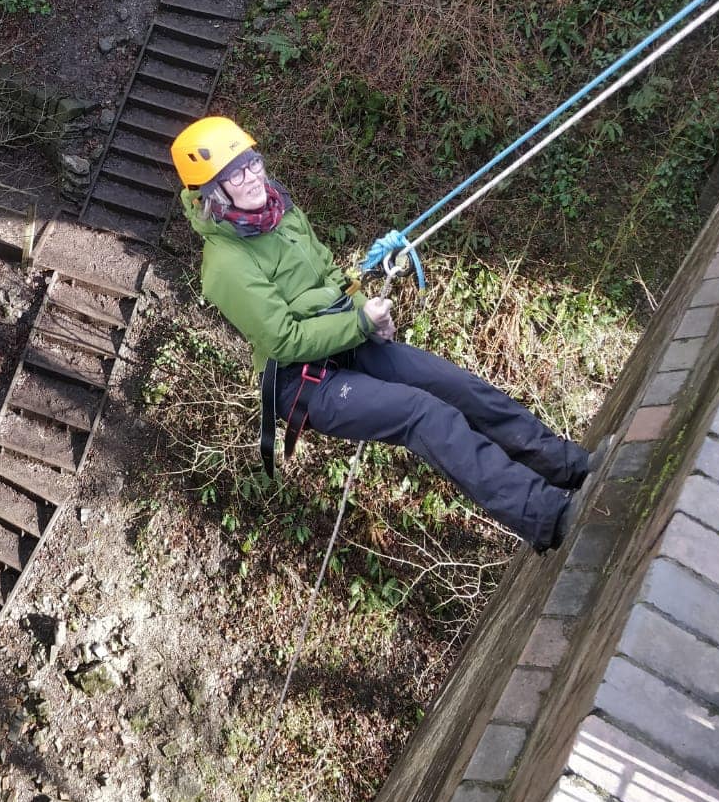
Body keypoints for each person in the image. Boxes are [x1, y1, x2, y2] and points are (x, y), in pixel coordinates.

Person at [170, 115, 592, 552]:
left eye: (252, 162)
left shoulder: (280, 210)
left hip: (346, 339)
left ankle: (571, 466)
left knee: (456, 386)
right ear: (213, 194)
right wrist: (359, 322)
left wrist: (366, 312)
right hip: (303, 381)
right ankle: (547, 515)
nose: (253, 177)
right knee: (424, 414)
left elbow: (330, 277)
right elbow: (284, 339)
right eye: (235, 174)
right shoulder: (225, 266)